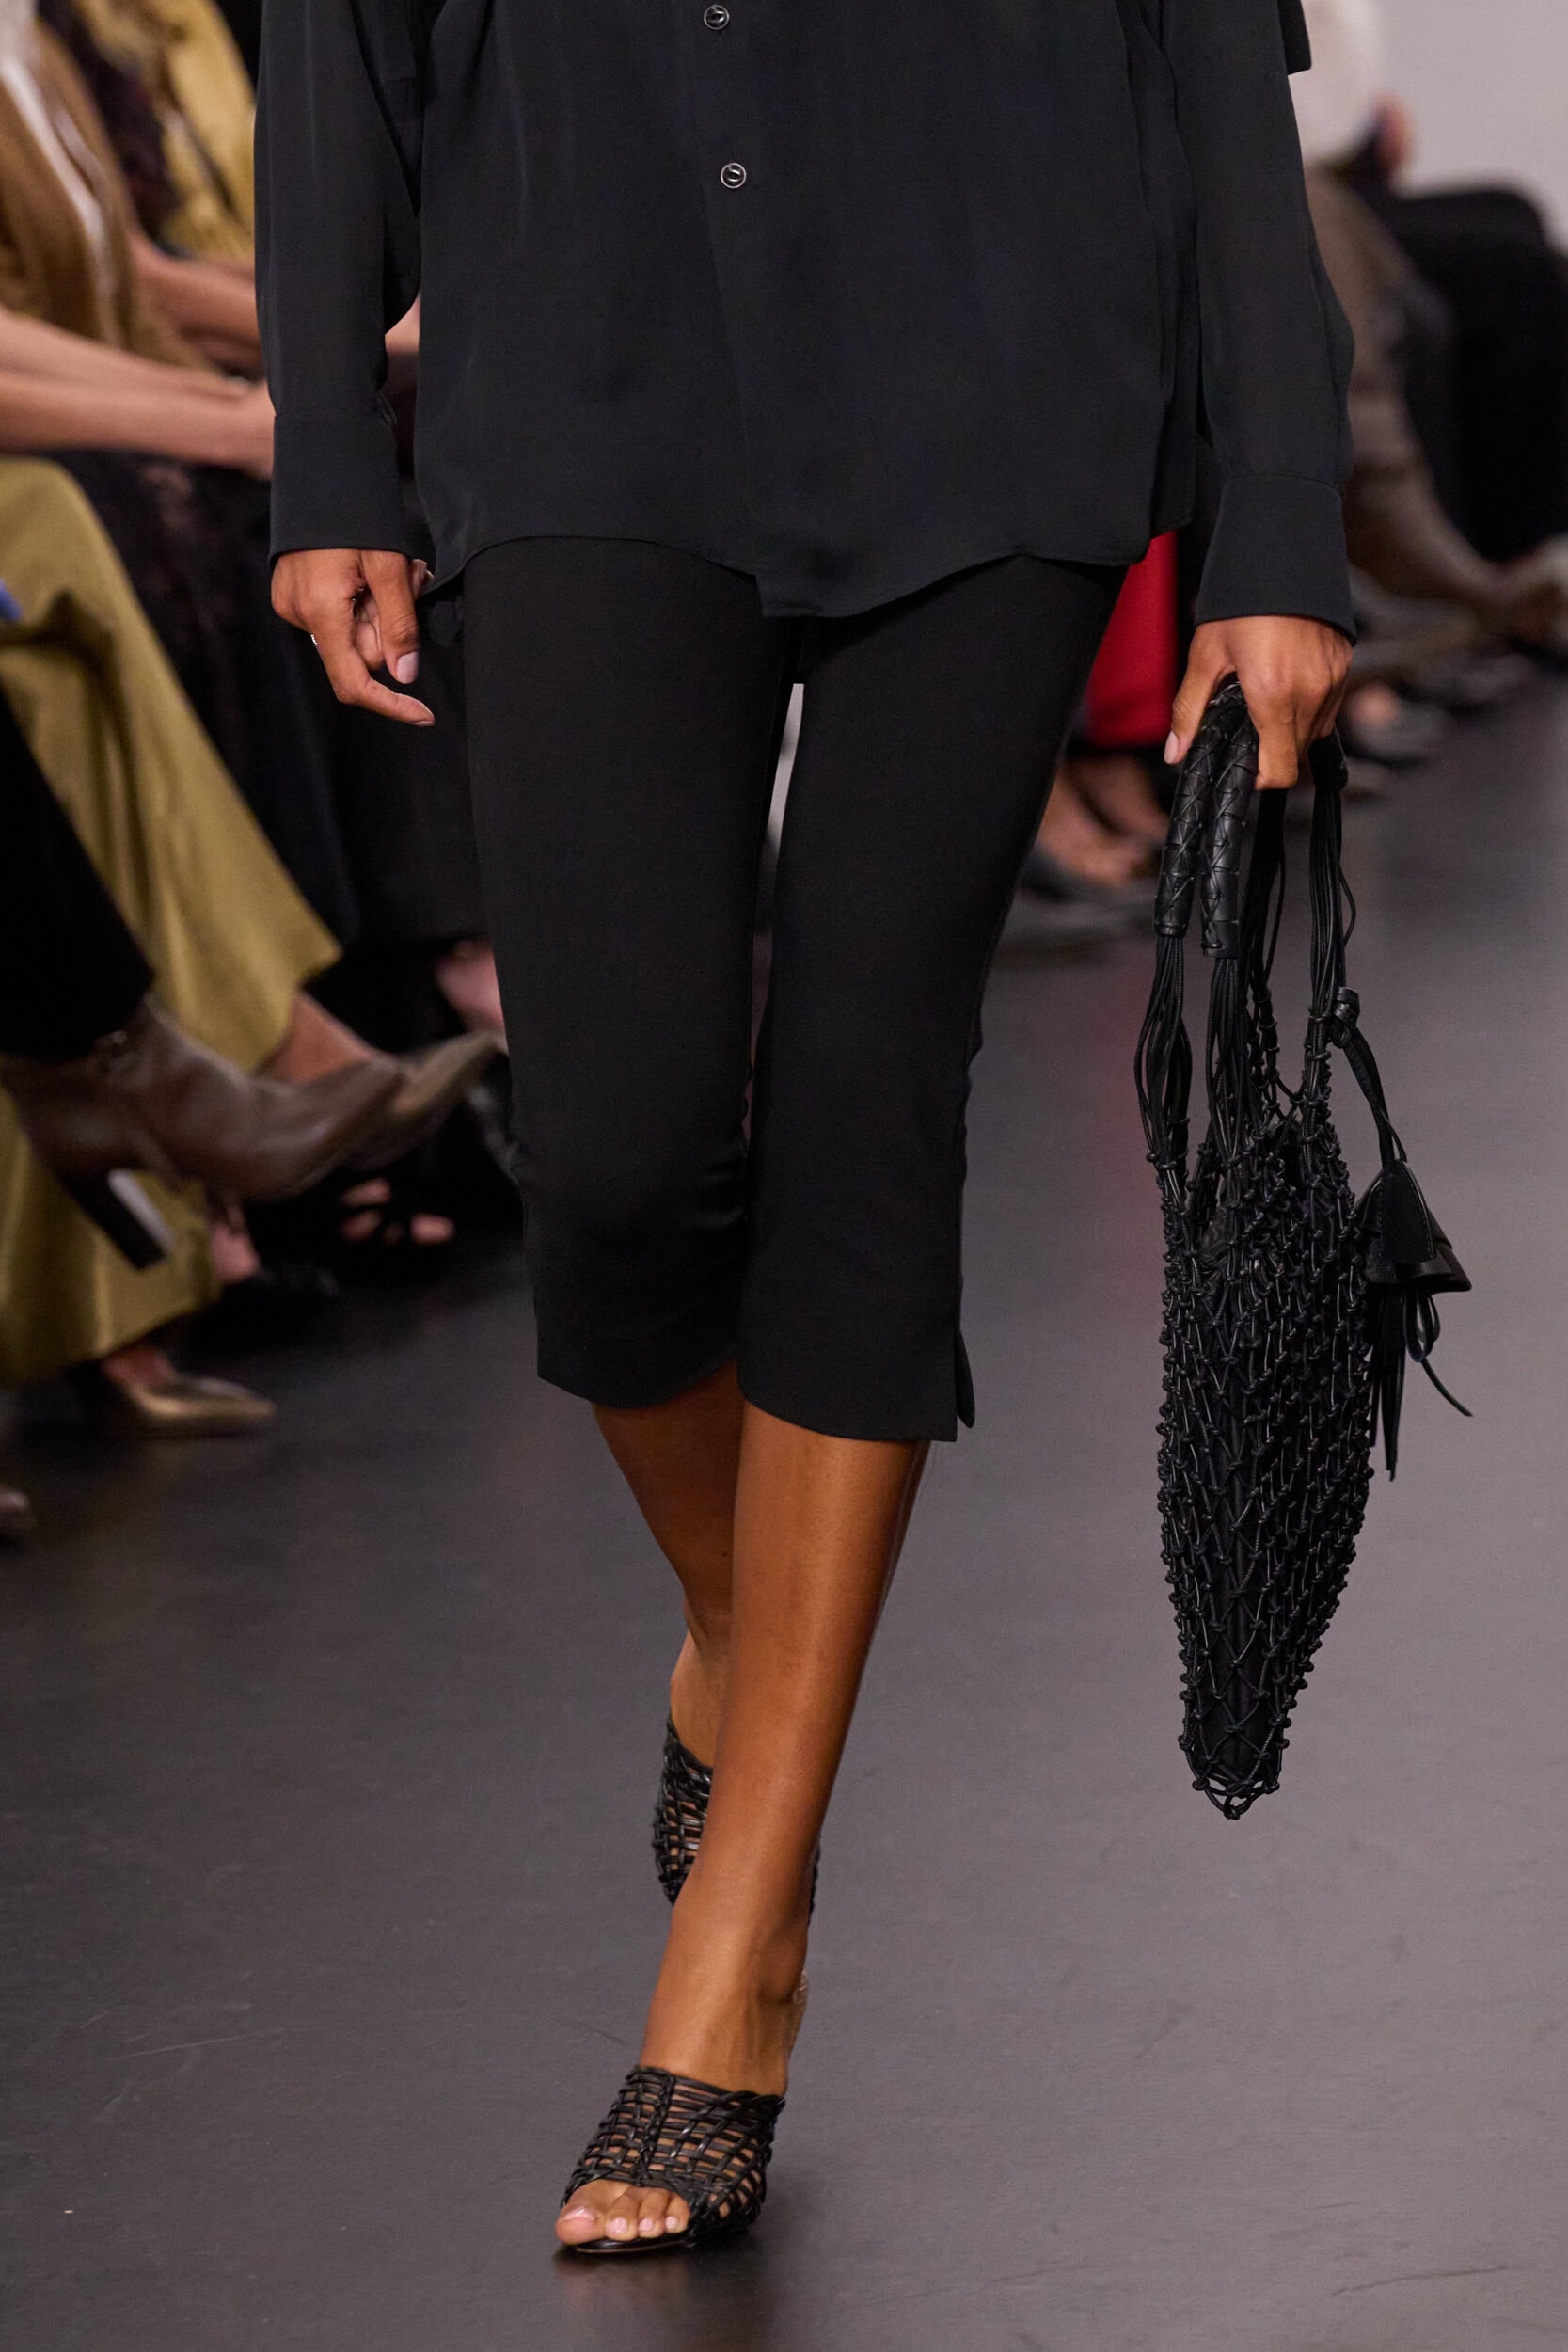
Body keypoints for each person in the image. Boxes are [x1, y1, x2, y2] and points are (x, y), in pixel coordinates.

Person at [258, 0, 1354, 2251]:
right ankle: (755, 1651)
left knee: (873, 1091)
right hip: (580, 343)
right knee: (616, 1147)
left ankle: (736, 1946)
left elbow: (1207, 53)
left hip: (1002, 337)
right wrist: (329, 457)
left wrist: (1282, 518)